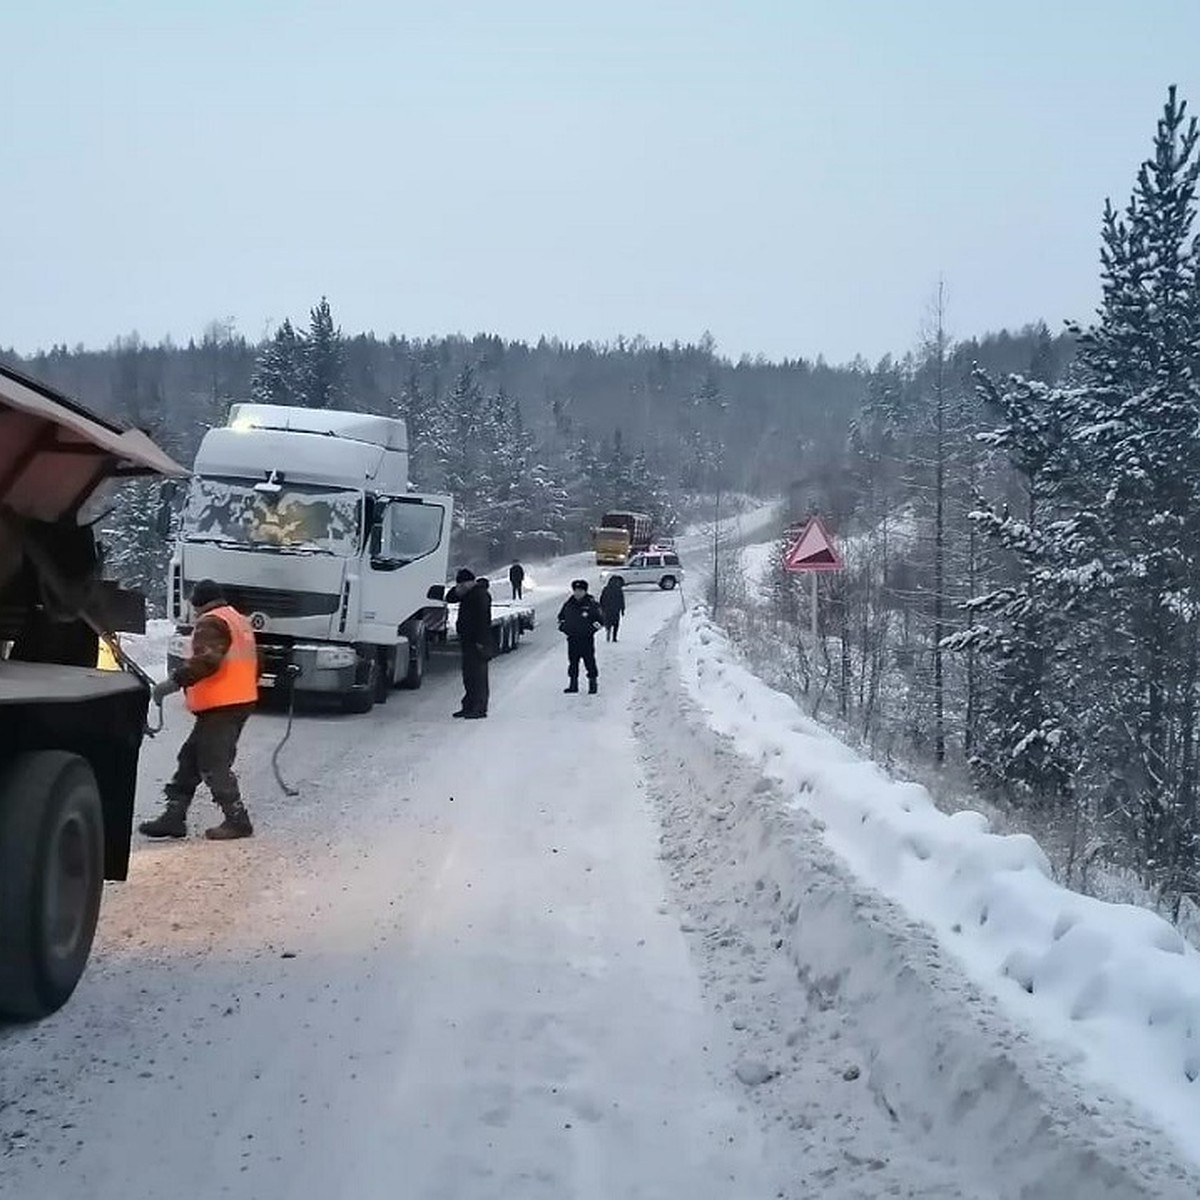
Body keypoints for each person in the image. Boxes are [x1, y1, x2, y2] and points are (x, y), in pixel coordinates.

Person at [139, 579, 257, 841]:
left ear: (197, 602)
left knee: (213, 761)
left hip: (224, 704)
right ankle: (174, 817)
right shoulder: (236, 618)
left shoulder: (211, 621)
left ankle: (237, 820)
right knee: (191, 757)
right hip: (235, 701)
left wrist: (174, 682)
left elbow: (208, 660)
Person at [452, 568, 492, 719]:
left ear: (469, 583)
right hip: (468, 641)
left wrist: (481, 641)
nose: (459, 588)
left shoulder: (480, 595)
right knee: (468, 676)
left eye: (462, 585)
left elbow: (483, 620)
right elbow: (451, 597)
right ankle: (468, 706)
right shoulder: (468, 594)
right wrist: (458, 590)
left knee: (478, 677)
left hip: (477, 642)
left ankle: (479, 708)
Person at [557, 579, 604, 694]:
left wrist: (590, 630)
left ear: (585, 591)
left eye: (580, 591)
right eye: (576, 590)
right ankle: (573, 685)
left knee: (589, 662)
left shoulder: (592, 604)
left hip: (586, 639)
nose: (578, 593)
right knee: (573, 662)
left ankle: (592, 684)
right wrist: (564, 628)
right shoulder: (568, 604)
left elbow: (600, 620)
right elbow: (561, 618)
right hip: (572, 639)